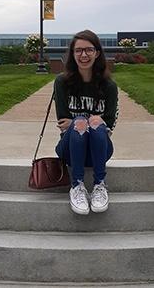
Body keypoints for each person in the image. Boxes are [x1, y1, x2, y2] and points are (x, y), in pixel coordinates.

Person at [54, 29, 119, 215]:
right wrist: (83, 121)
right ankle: (76, 186)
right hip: (70, 149)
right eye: (78, 50)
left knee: (93, 123)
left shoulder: (109, 86)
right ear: (72, 54)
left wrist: (79, 122)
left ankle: (99, 185)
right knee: (84, 122)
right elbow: (62, 122)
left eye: (89, 50)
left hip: (99, 150)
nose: (84, 55)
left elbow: (109, 123)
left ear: (97, 53)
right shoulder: (62, 82)